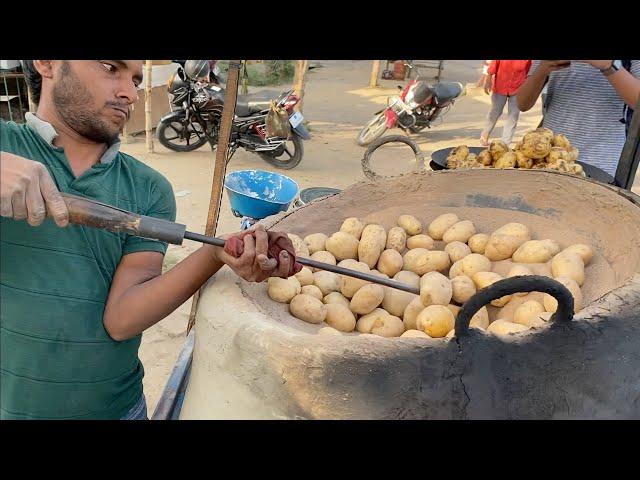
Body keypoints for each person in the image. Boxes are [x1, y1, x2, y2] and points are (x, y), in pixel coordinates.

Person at [0, 60, 299, 420]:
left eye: (136, 79)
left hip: (116, 410)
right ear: (46, 63)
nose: (129, 92)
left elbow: (122, 320)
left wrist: (217, 253)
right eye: (111, 67)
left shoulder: (148, 188)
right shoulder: (6, 144)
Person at [517, 60, 640, 177]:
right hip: (547, 157)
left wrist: (610, 65)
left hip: (601, 164)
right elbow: (522, 103)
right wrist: (542, 69)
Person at [479, 60, 532, 146]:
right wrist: (488, 79)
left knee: (513, 115)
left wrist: (527, 88)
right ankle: (485, 134)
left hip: (518, 88)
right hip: (500, 86)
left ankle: (505, 143)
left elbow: (529, 71)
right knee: (495, 112)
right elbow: (494, 65)